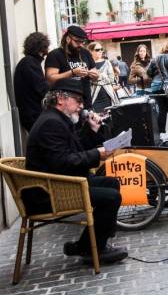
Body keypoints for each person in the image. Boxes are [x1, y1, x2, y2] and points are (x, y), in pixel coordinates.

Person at [24, 78, 127, 265]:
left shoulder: (58, 119)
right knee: (111, 197)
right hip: (48, 192)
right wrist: (98, 153)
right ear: (61, 99)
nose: (82, 106)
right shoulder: (51, 123)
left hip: (60, 182)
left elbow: (75, 150)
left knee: (111, 183)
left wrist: (92, 130)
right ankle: (94, 248)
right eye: (78, 101)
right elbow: (63, 162)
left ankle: (89, 242)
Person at [45, 25, 99, 109]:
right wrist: (73, 72)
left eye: (83, 42)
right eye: (77, 42)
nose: (81, 45)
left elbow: (95, 73)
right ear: (68, 39)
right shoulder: (55, 55)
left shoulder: (85, 53)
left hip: (86, 104)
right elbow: (50, 79)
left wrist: (94, 75)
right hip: (65, 107)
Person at [14, 32, 50, 134]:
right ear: (41, 48)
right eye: (45, 48)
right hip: (33, 115)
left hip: (32, 114)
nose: (47, 52)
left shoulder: (28, 62)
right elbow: (42, 89)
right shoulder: (30, 63)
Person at [87, 42, 120, 113]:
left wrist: (98, 77)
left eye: (101, 49)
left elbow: (111, 79)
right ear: (90, 51)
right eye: (97, 49)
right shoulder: (87, 64)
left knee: (109, 117)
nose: (100, 51)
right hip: (93, 96)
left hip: (107, 95)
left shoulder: (107, 62)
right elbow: (87, 80)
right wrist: (103, 77)